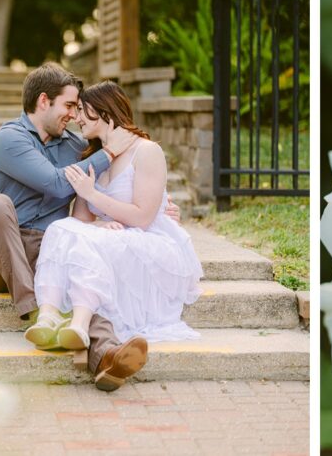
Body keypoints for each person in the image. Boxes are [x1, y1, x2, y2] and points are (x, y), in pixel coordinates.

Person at [0, 63, 181, 391]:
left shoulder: (72, 145)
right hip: (1, 252)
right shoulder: (9, 138)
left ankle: (107, 357)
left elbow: (111, 185)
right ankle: (35, 313)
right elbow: (57, 184)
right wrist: (111, 152)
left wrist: (159, 209)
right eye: (69, 106)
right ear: (44, 101)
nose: (74, 115)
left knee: (77, 268)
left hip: (47, 245)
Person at [25, 81, 204, 391]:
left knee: (75, 235)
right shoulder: (94, 156)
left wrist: (93, 194)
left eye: (83, 111)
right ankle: (50, 316)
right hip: (115, 240)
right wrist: (98, 224)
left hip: (149, 244)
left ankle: (79, 323)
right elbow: (80, 221)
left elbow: (143, 217)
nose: (78, 118)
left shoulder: (146, 151)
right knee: (60, 228)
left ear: (104, 113)